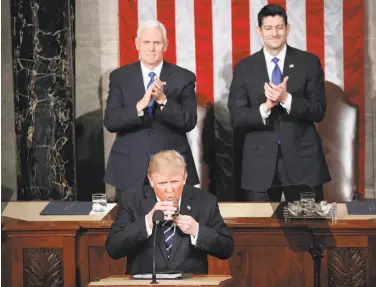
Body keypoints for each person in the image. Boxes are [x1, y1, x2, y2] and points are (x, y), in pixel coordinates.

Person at [228, 4, 330, 202]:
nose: (274, 33)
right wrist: (266, 107)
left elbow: (319, 110)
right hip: (259, 164)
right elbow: (237, 118)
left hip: (303, 162)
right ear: (259, 31)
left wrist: (287, 99)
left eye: (279, 27)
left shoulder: (309, 62)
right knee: (258, 231)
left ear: (288, 29)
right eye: (268, 28)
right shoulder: (244, 68)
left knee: (309, 229)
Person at [103, 20, 199, 194]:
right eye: (146, 42)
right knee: (129, 220)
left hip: (171, 171)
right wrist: (140, 105)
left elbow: (189, 121)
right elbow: (111, 121)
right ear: (137, 44)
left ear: (166, 45)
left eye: (157, 43)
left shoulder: (183, 77)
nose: (151, 48)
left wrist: (163, 101)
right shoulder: (120, 77)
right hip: (129, 169)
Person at [105, 150, 234, 274]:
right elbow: (113, 248)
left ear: (184, 177)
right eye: (162, 183)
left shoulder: (205, 201)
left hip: (190, 283)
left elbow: (227, 248)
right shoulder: (132, 201)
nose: (169, 189)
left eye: (174, 182)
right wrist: (147, 222)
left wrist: (197, 230)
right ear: (151, 180)